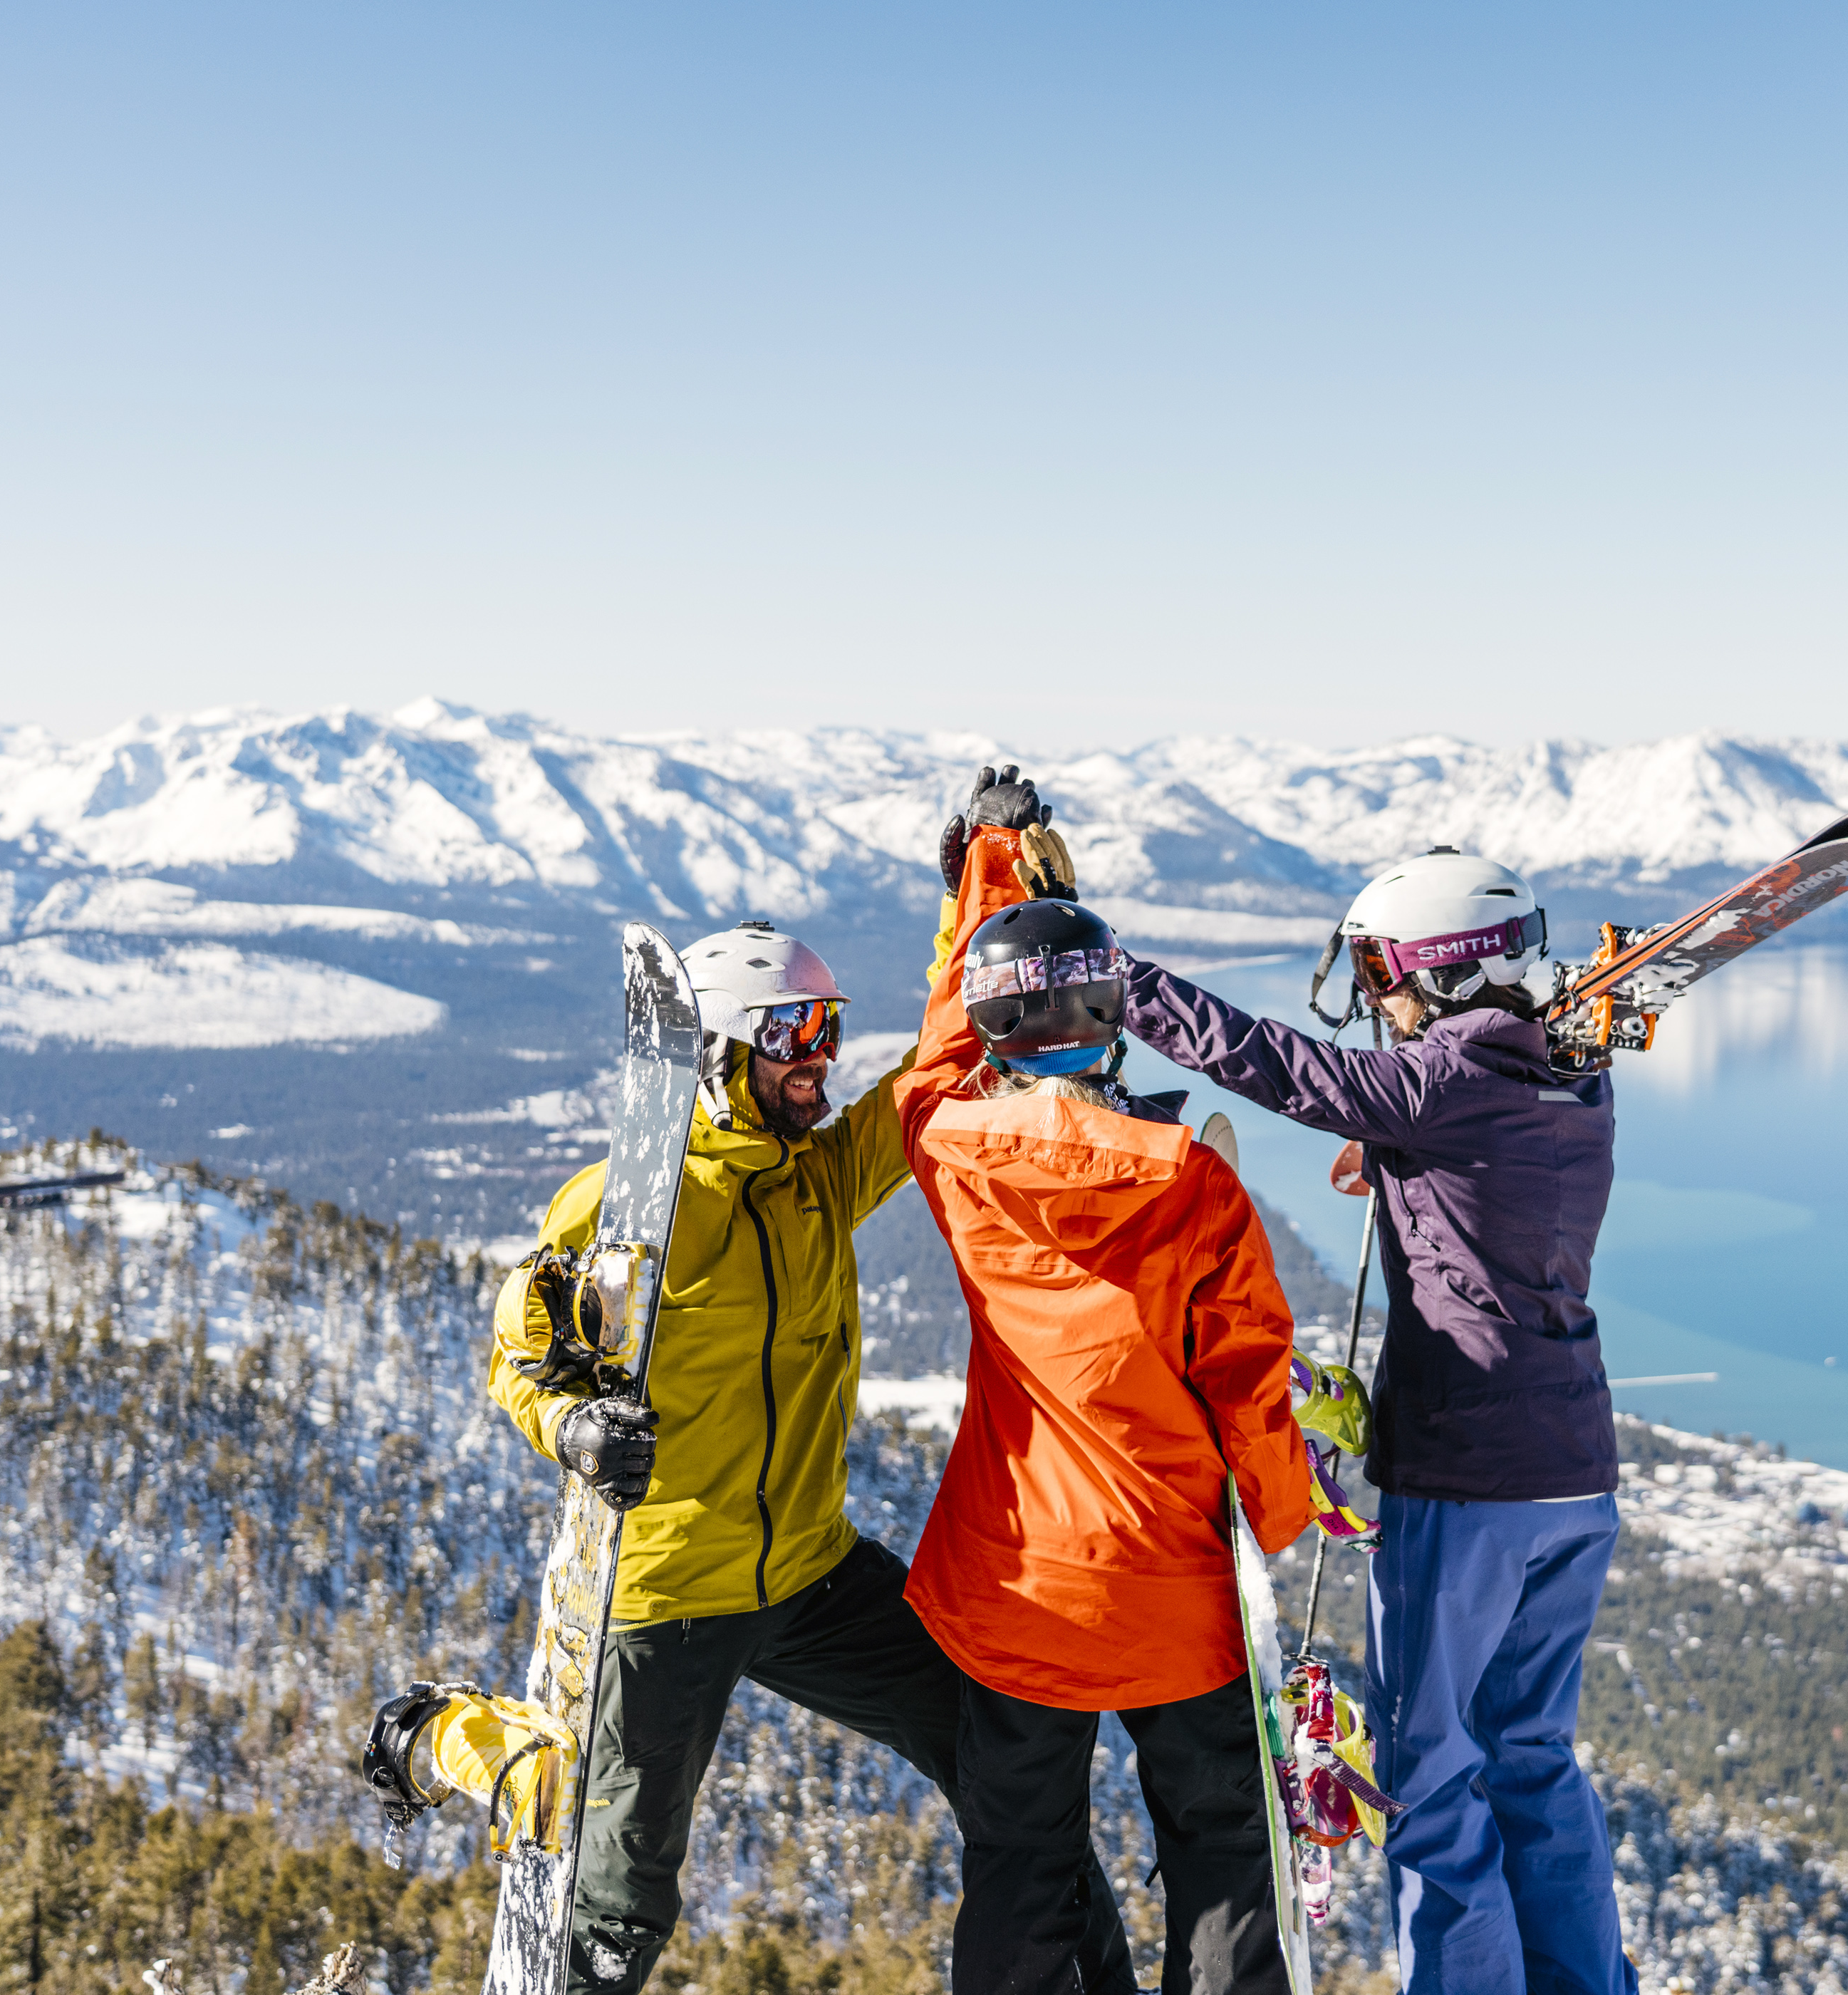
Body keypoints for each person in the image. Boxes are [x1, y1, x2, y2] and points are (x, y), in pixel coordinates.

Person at [483, 771, 1128, 1995]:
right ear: (722, 1053)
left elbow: (939, 1070)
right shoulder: (639, 1206)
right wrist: (573, 1425)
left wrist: (987, 878)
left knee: (1006, 1761)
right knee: (622, 1902)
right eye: (797, 1037)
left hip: (810, 1570)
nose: (823, 1062)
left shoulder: (818, 1179)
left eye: (830, 1033)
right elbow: (520, 1352)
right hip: (671, 1593)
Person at [1116, 846, 1635, 1995]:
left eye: (1381, 970)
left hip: (1471, 1481)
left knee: (1431, 1771)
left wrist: (1121, 979)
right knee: (1533, 1755)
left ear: (1443, 970)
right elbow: (1485, 1161)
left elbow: (1272, 1065)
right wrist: (1405, 1154)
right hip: (1576, 1474)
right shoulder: (1571, 1080)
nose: (1375, 999)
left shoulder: (1441, 1087)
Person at [893, 812, 1315, 1995]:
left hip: (1018, 1590)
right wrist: (1279, 1519)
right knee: (1223, 1861)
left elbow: (932, 1063)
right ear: (1111, 1019)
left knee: (1022, 1866)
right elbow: (1249, 1373)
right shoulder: (1192, 1180)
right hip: (1176, 1589)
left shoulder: (953, 1146)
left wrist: (983, 871)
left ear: (993, 1025)